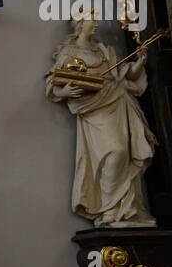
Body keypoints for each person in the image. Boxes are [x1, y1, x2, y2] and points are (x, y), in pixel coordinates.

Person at [45, 12, 157, 227]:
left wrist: (140, 62)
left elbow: (123, 74)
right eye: (90, 20)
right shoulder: (68, 51)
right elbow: (53, 83)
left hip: (117, 101)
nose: (94, 24)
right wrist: (64, 91)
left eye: (95, 20)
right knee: (116, 152)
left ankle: (126, 210)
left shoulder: (105, 50)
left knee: (127, 152)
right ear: (79, 24)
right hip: (95, 109)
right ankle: (108, 207)